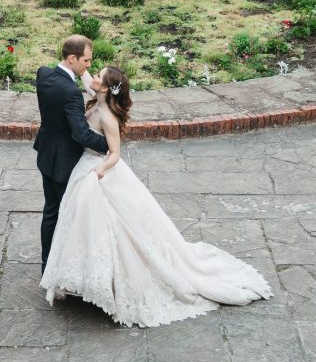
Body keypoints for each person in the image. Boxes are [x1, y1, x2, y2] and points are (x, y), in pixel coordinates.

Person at [40, 66, 271, 327]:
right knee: (82, 225)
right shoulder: (97, 97)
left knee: (111, 228)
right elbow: (85, 77)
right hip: (84, 169)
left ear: (105, 88)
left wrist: (100, 170)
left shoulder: (107, 116)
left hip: (97, 172)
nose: (91, 76)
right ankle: (81, 278)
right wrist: (77, 68)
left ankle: (108, 281)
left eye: (98, 75)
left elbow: (115, 154)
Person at [33, 35, 110, 273]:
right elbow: (81, 135)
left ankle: (48, 264)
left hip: (46, 155)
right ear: (72, 58)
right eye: (86, 61)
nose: (89, 66)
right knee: (68, 215)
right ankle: (65, 267)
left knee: (51, 211)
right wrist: (109, 144)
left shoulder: (44, 74)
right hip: (65, 163)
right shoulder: (71, 93)